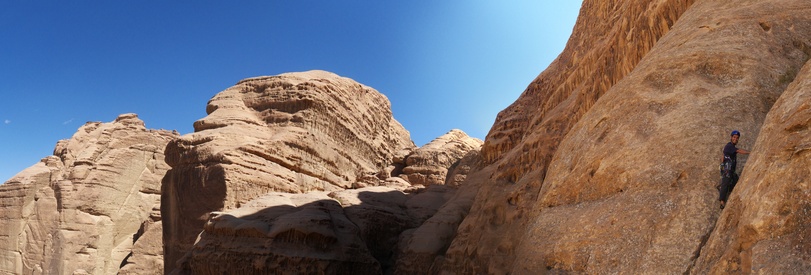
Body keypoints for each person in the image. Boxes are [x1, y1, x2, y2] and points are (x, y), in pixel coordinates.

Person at [719, 130, 750, 209]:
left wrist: (722, 163)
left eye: (737, 138)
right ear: (731, 137)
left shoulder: (731, 147)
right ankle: (722, 201)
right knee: (726, 182)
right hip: (727, 168)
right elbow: (739, 151)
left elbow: (723, 155)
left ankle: (724, 188)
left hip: (730, 169)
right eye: (734, 137)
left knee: (735, 179)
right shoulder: (729, 146)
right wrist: (750, 152)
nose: (735, 139)